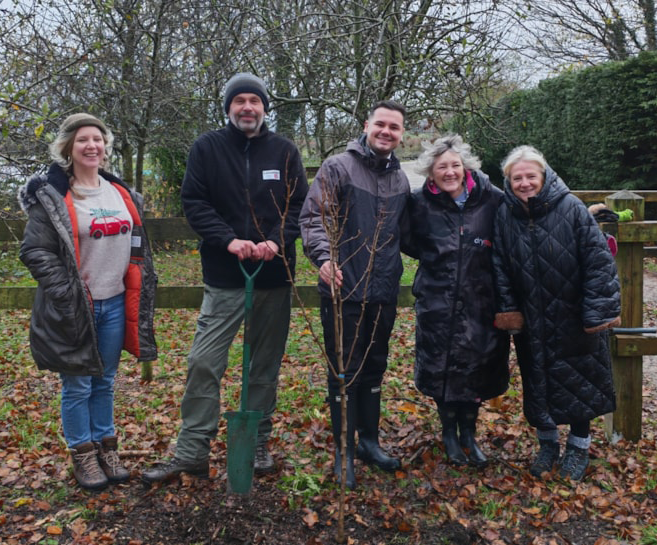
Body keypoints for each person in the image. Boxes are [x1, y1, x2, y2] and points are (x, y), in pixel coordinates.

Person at [142, 73, 308, 483]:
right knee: (204, 362)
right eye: (240, 101)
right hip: (224, 275)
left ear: (265, 107)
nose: (247, 107)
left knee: (264, 365)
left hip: (273, 276)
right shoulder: (207, 148)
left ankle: (256, 443)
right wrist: (228, 240)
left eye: (255, 100)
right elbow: (194, 201)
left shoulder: (285, 151)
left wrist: (274, 241)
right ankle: (192, 450)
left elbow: (300, 205)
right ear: (229, 107)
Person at [18, 113, 158, 490]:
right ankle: (82, 454)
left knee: (105, 381)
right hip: (74, 307)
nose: (92, 145)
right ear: (68, 147)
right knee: (77, 384)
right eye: (83, 140)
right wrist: (66, 291)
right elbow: (34, 251)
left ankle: (106, 446)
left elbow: (137, 246)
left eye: (98, 139)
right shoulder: (52, 197)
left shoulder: (120, 193)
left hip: (114, 302)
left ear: (105, 146)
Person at [492, 145, 620, 481]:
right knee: (538, 382)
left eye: (530, 176)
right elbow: (500, 266)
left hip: (573, 315)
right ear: (508, 181)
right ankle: (547, 444)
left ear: (543, 176)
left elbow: (598, 262)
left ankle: (578, 448)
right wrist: (509, 310)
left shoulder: (572, 208)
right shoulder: (505, 215)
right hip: (532, 318)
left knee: (579, 382)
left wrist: (596, 311)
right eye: (517, 178)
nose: (524, 183)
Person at [299, 100, 410, 489]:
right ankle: (343, 450)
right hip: (343, 289)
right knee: (344, 372)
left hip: (383, 291)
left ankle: (370, 442)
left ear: (401, 134)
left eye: (394, 128)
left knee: (375, 367)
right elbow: (314, 218)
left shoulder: (400, 180)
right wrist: (325, 258)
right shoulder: (338, 168)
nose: (386, 132)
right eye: (381, 124)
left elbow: (411, 233)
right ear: (367, 125)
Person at [406, 134, 509, 467]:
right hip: (438, 299)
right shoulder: (419, 203)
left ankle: (469, 434)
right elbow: (409, 241)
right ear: (430, 172)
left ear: (465, 166)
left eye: (454, 165)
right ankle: (448, 434)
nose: (449, 172)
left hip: (482, 300)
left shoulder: (492, 199)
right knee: (442, 367)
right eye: (441, 167)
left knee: (477, 366)